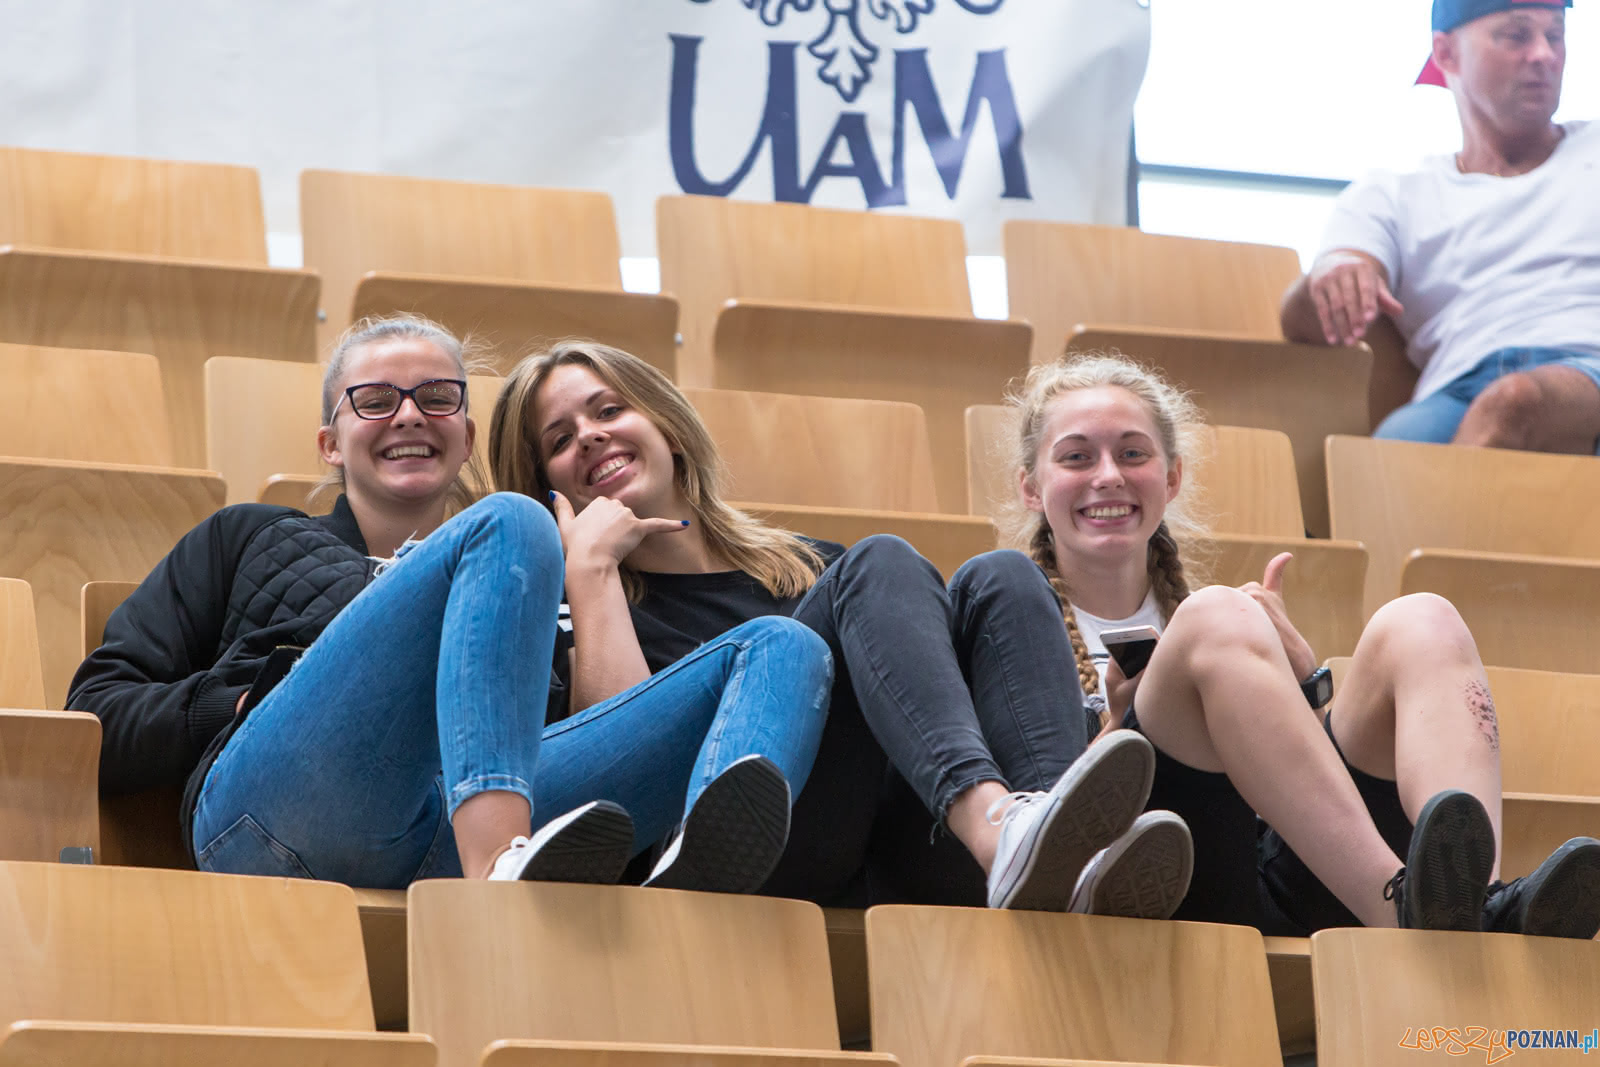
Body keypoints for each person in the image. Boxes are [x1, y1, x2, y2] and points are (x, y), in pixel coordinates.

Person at [68, 315, 833, 892]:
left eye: (436, 398)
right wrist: (237, 704)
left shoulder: (539, 583)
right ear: (330, 443)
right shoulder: (250, 537)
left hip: (439, 836)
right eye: (374, 400)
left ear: (466, 435)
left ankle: (691, 882)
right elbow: (96, 711)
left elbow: (606, 736)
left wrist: (589, 581)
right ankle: (500, 868)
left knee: (783, 644)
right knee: (512, 521)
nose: (408, 415)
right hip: (282, 815)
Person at [487, 340, 1195, 916]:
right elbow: (631, 767)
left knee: (1003, 575)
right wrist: (591, 571)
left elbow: (937, 706)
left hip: (913, 841)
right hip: (740, 851)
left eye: (609, 408)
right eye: (559, 439)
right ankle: (1007, 832)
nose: (590, 436)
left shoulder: (815, 570)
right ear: (546, 485)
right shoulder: (565, 608)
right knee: (880, 558)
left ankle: (1052, 851)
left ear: (666, 423)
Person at [1010, 350, 1600, 936]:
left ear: (1171, 478)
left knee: (1424, 621)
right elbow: (1026, 842)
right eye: (1077, 457)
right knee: (1215, 614)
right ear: (1032, 488)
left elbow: (1282, 799)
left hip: (1282, 867)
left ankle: (1475, 901)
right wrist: (1119, 723)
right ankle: (1403, 909)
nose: (1109, 474)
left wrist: (1306, 686)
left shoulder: (1216, 624)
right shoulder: (1008, 621)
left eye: (1132, 453)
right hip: (1158, 882)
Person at [1280, 0, 1600, 452]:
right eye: (1517, 35)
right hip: (1456, 391)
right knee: (1392, 449)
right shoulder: (1393, 194)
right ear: (1446, 54)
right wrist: (1337, 275)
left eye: (1555, 35)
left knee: (1513, 404)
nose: (1544, 54)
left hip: (1587, 370)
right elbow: (1304, 316)